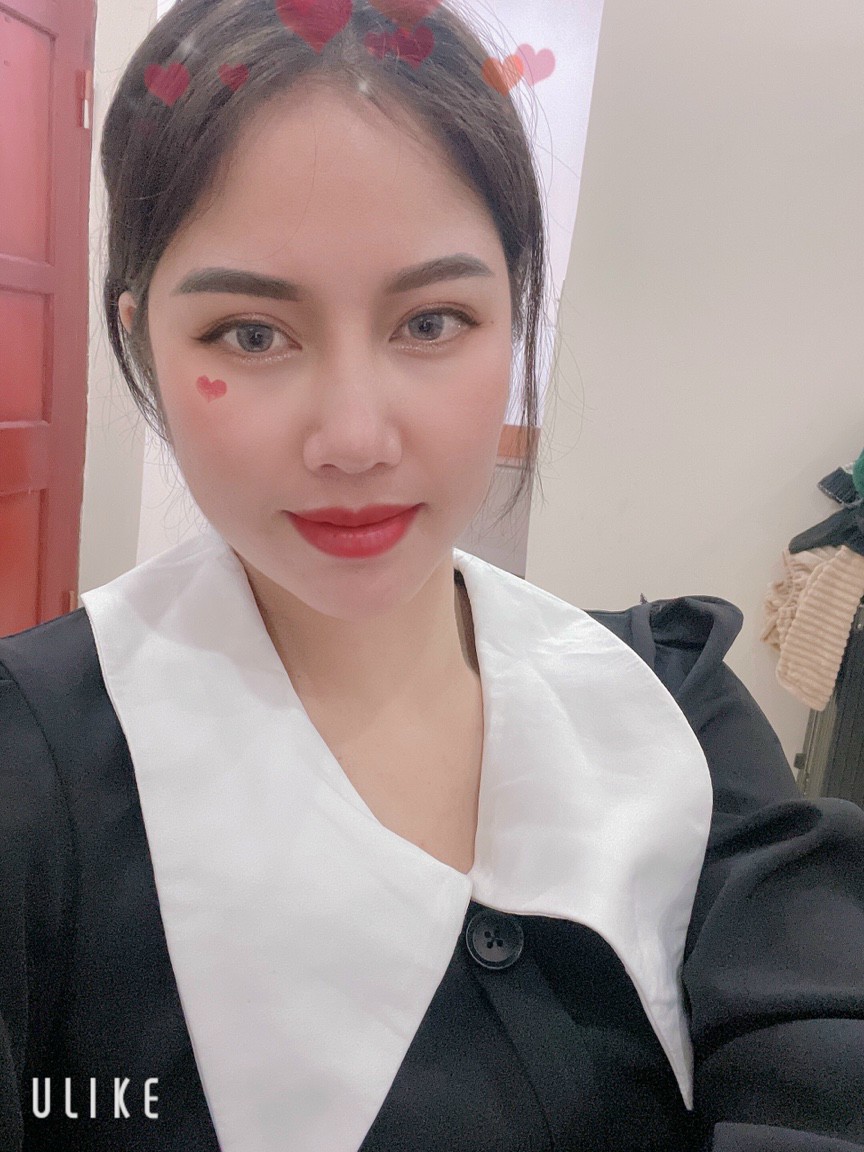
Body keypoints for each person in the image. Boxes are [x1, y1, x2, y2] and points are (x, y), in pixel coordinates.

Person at [1, 1, 863, 1149]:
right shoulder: (31, 779)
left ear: (515, 317)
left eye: (432, 321)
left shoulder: (670, 709)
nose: (355, 438)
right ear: (142, 342)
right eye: (251, 334)